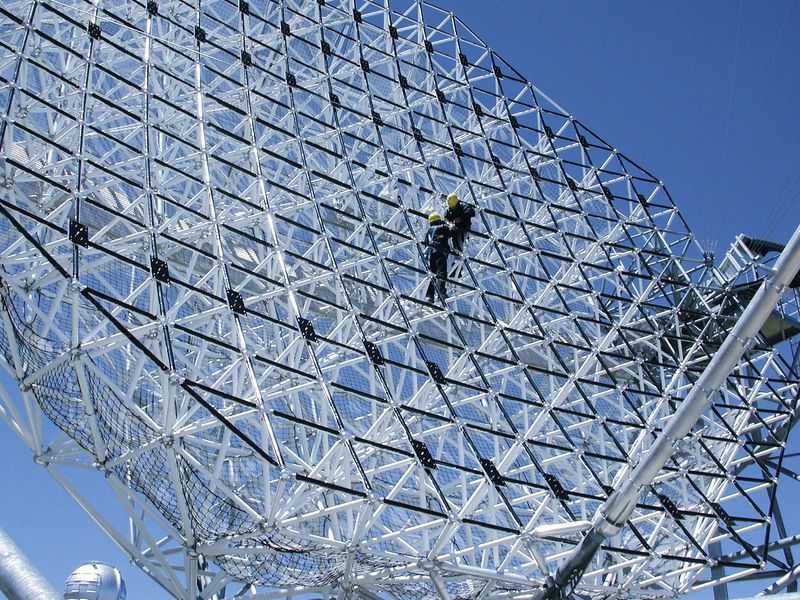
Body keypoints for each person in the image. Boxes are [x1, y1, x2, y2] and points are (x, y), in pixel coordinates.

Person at [424, 212, 452, 303]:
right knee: (442, 272)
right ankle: (441, 292)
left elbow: (425, 243)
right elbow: (452, 232)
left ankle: (430, 296)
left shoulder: (429, 231)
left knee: (432, 274)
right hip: (440, 252)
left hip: (431, 254)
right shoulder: (442, 228)